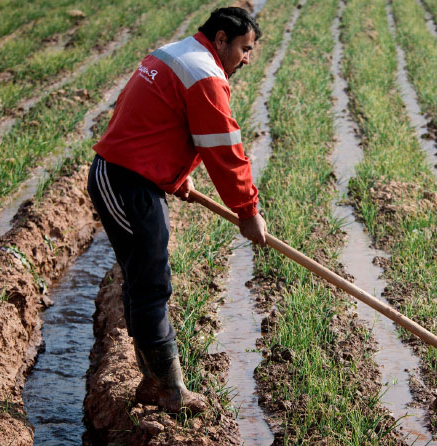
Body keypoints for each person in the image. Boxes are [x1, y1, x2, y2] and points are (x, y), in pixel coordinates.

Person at [86, 7, 266, 414]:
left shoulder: (177, 52)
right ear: (221, 39)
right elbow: (223, 149)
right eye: (245, 49)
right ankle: (169, 389)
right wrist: (247, 210)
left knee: (147, 277)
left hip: (134, 177)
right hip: (124, 182)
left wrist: (170, 174)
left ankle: (154, 380)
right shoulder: (204, 74)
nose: (247, 59)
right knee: (150, 280)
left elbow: (152, 117)